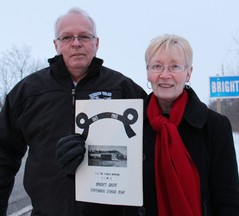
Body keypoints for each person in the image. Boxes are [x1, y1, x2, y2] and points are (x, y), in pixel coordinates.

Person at [0, 7, 146, 216]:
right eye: (67, 37)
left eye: (85, 36)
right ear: (56, 45)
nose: (76, 43)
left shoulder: (123, 89)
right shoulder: (28, 93)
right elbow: (3, 156)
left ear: (97, 43)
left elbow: (152, 151)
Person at [138, 34, 239, 216]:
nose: (165, 74)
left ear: (188, 73)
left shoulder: (215, 126)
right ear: (148, 73)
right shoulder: (132, 123)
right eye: (157, 66)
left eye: (175, 66)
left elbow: (228, 200)